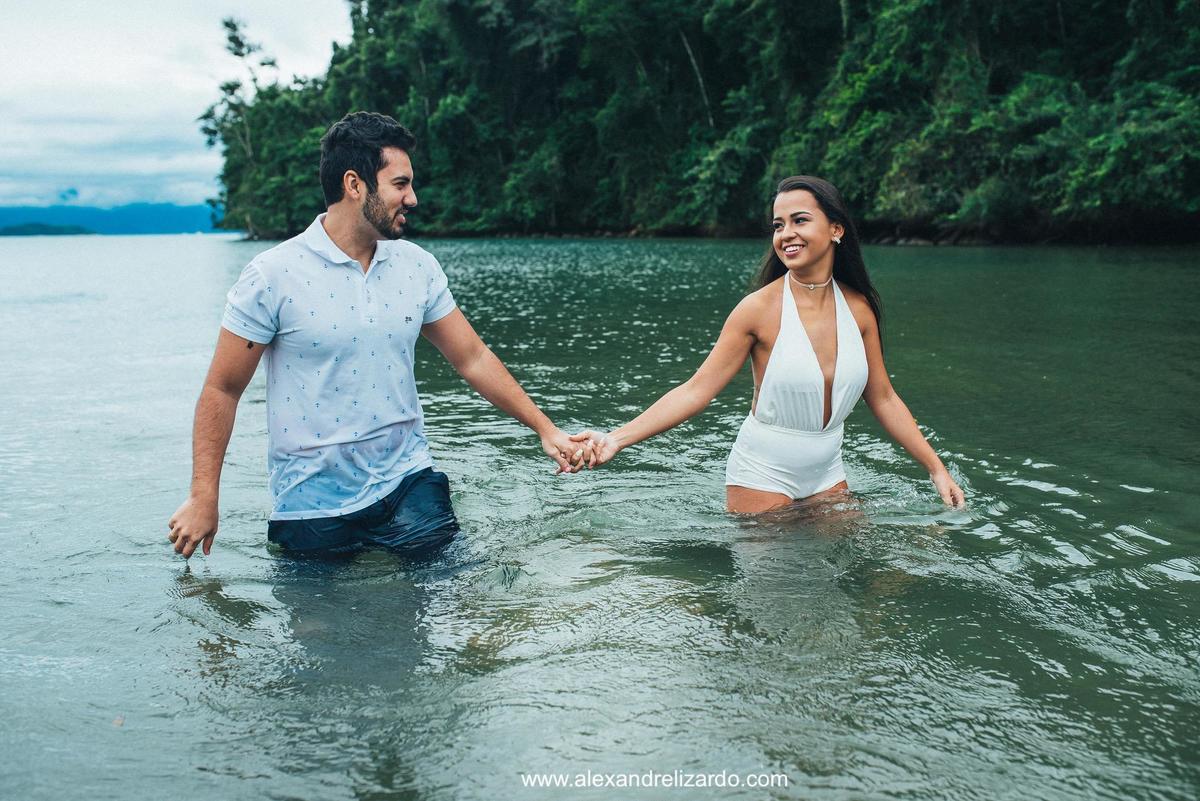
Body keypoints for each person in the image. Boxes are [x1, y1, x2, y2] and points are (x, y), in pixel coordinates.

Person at [168, 111, 587, 559]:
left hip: (408, 483)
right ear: (355, 184)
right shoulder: (272, 276)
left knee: (453, 590)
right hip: (311, 501)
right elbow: (223, 388)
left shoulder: (417, 266)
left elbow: (473, 357)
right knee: (319, 607)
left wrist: (546, 429)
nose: (413, 198)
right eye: (400, 184)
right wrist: (204, 496)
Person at [571, 176, 965, 513]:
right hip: (761, 476)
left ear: (836, 229)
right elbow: (696, 391)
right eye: (778, 225)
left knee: (866, 571)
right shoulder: (757, 310)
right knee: (779, 579)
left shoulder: (859, 309)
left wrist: (936, 468)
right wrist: (615, 439)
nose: (786, 233)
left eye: (800, 220)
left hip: (828, 474)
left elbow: (883, 397)